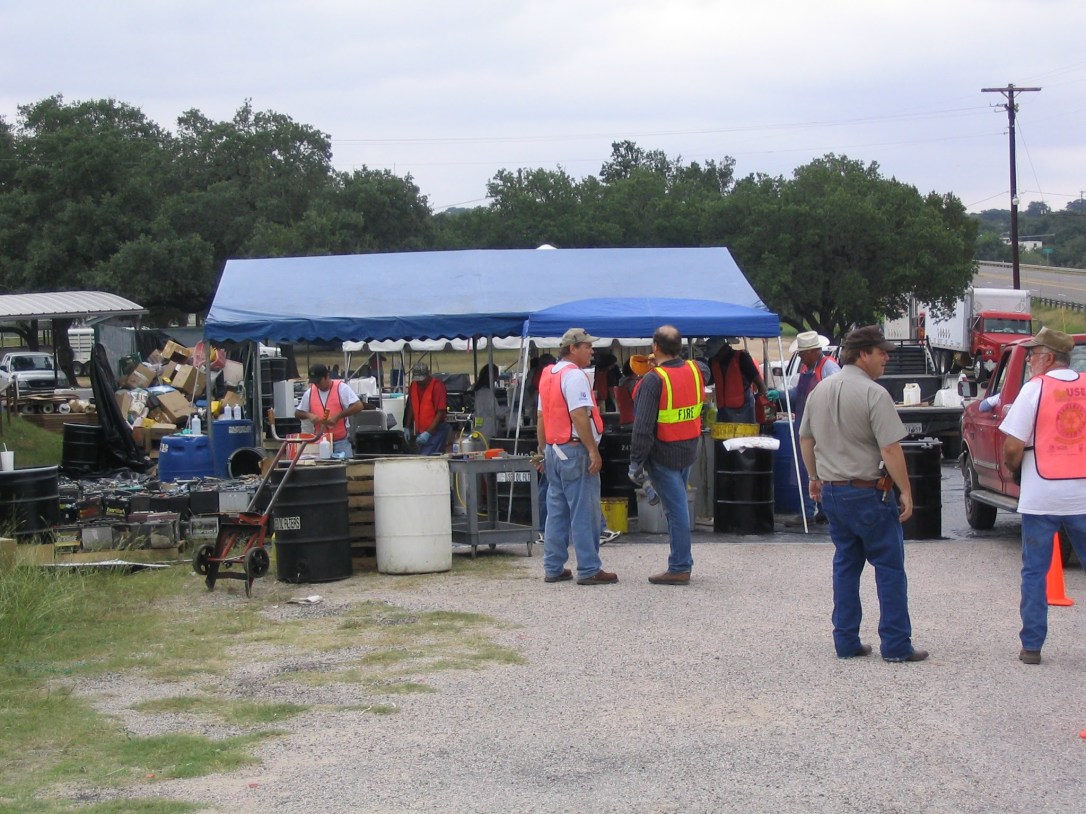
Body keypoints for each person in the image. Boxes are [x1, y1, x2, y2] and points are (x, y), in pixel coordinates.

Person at [800, 325, 928, 663]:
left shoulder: (819, 390)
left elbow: (806, 439)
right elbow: (890, 448)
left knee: (845, 565)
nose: (887, 357)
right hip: (869, 493)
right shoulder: (875, 394)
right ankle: (897, 645)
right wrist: (906, 491)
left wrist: (814, 476)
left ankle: (845, 641)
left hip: (833, 492)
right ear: (863, 355)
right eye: (881, 352)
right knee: (889, 567)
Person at [999, 326, 1086, 665]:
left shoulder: (1035, 389)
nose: (1031, 359)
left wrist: (1014, 468)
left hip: (1041, 494)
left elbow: (1013, 444)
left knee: (1035, 572)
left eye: (1034, 354)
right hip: (1082, 494)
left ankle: (1032, 646)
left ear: (1048, 358)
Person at [628, 325, 710, 585]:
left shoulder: (654, 380)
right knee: (676, 506)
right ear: (680, 349)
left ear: (655, 347)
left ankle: (680, 567)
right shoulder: (696, 371)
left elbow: (642, 429)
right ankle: (680, 562)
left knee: (676, 513)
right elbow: (703, 367)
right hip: (687, 449)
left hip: (663, 455)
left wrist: (635, 463)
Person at [536, 328, 617, 585]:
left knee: (556, 511)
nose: (591, 351)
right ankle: (589, 568)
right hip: (573, 449)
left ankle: (553, 566)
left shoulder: (548, 374)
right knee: (585, 511)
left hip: (553, 449)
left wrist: (541, 451)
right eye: (587, 347)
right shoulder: (575, 377)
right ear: (573, 348)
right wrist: (592, 449)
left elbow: (541, 416)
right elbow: (579, 415)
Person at [781, 331, 841, 527]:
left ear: (814, 351)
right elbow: (799, 392)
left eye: (803, 353)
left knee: (820, 467)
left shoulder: (829, 368)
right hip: (804, 422)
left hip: (822, 425)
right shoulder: (807, 368)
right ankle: (809, 510)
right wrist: (782, 395)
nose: (800, 357)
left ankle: (821, 510)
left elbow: (835, 395)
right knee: (804, 466)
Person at [295, 363, 365, 457]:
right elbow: (297, 413)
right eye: (314, 382)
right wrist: (309, 415)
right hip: (319, 441)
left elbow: (358, 406)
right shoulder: (310, 393)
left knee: (346, 470)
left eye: (319, 382)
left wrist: (337, 416)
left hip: (341, 442)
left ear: (327, 376)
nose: (317, 385)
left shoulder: (341, 388)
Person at [709, 338, 774, 423]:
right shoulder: (714, 361)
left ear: (725, 349)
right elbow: (709, 380)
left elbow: (760, 384)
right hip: (723, 412)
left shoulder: (742, 358)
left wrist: (766, 410)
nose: (716, 357)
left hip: (744, 411)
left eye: (717, 354)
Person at [404, 362, 450, 455]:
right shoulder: (413, 385)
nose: (420, 382)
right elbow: (411, 406)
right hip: (419, 431)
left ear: (428, 374)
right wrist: (407, 426)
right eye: (418, 380)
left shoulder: (437, 386)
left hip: (436, 431)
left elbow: (440, 412)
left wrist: (428, 433)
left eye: (422, 379)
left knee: (426, 458)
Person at [472, 363, 503, 441]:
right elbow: (496, 412)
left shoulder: (474, 389)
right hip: (488, 429)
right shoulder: (487, 393)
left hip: (477, 426)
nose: (497, 378)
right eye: (496, 375)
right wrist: (509, 411)